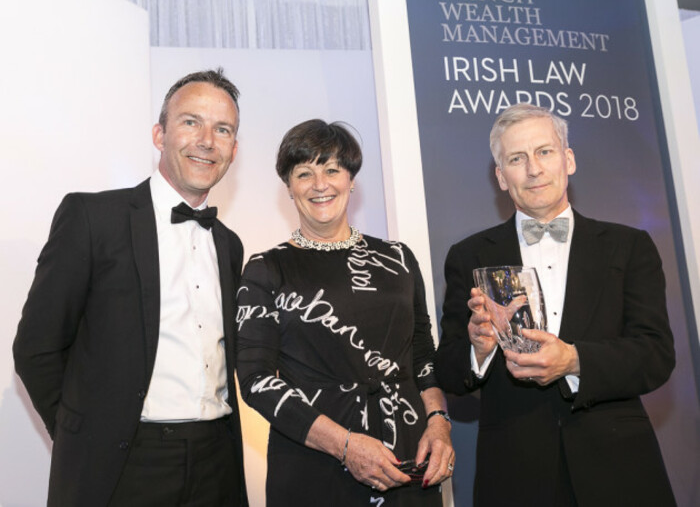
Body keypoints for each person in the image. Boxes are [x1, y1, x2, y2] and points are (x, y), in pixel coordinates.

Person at [13, 69, 249, 507]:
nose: (206, 140)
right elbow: (35, 347)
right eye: (190, 122)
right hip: (125, 466)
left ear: (234, 150)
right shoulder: (92, 218)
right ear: (160, 134)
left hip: (217, 461)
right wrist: (81, 434)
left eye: (222, 129)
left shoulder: (230, 245)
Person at [435, 103, 676, 507]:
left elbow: (655, 354)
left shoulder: (629, 246)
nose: (533, 169)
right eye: (516, 158)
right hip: (515, 475)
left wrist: (573, 360)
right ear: (500, 176)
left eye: (544, 152)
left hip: (621, 470)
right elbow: (448, 369)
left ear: (569, 160)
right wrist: (478, 349)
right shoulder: (469, 255)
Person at [235, 119, 454, 506]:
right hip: (313, 465)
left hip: (407, 459)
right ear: (289, 187)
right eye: (304, 173)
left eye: (332, 169)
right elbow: (255, 380)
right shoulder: (266, 269)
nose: (320, 184)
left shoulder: (398, 259)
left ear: (352, 179)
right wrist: (345, 446)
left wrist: (439, 423)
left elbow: (422, 356)